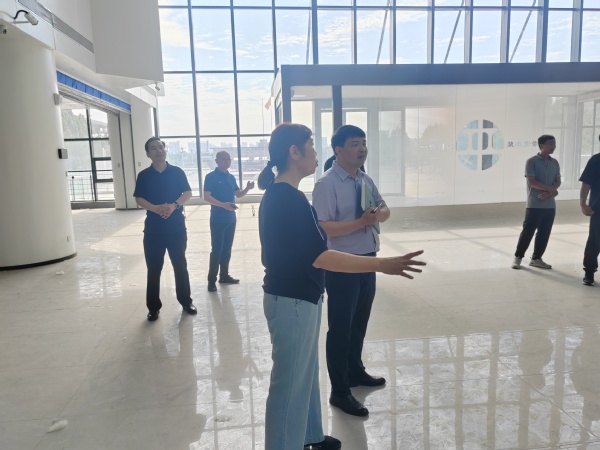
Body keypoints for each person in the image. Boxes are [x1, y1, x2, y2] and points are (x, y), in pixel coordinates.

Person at [258, 123, 425, 450]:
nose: (315, 152)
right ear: (294, 152)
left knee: (305, 374)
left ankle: (311, 436)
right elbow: (320, 256)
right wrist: (381, 264)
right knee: (288, 384)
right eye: (310, 145)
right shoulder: (286, 198)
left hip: (302, 297)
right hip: (291, 301)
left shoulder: (289, 195)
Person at [312, 125, 389, 417]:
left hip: (368, 259)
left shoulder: (365, 179)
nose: (362, 149)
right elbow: (323, 228)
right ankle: (340, 390)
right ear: (339, 150)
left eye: (364, 143)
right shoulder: (327, 184)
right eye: (355, 144)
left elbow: (385, 209)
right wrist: (361, 222)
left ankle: (355, 371)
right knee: (341, 328)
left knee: (359, 322)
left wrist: (379, 215)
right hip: (342, 263)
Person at [133, 137, 197, 321]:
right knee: (154, 268)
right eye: (153, 148)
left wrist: (174, 206)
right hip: (153, 230)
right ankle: (153, 307)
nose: (159, 150)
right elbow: (139, 198)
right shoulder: (144, 175)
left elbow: (187, 193)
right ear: (148, 154)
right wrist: (155, 208)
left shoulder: (177, 172)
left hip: (176, 228)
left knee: (180, 265)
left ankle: (186, 301)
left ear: (165, 150)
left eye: (161, 147)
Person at [203, 151, 254, 292]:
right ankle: (211, 280)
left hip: (231, 219)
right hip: (217, 220)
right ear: (216, 161)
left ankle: (224, 276)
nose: (227, 161)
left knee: (227, 249)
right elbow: (206, 196)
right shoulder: (211, 177)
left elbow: (238, 194)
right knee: (217, 250)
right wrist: (223, 205)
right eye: (223, 159)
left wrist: (247, 188)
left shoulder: (231, 177)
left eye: (228, 159)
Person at [511, 135, 561, 270]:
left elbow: (558, 181)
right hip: (534, 204)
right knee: (528, 232)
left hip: (550, 206)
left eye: (554, 143)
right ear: (541, 145)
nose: (553, 146)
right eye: (550, 143)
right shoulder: (531, 161)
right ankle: (518, 258)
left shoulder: (554, 162)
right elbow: (531, 181)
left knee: (544, 233)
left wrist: (549, 193)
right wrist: (550, 190)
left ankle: (536, 258)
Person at [579, 136, 600, 286]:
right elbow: (586, 183)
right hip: (598, 209)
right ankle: (589, 272)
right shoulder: (596, 160)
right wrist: (583, 203)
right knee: (595, 241)